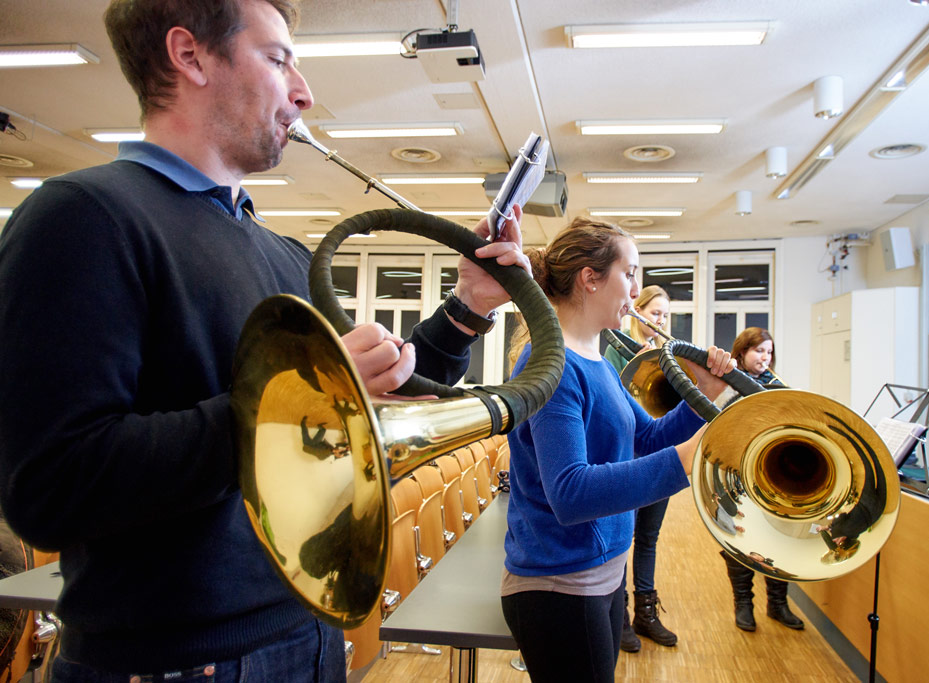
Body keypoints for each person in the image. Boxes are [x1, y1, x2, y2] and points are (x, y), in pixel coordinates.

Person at [0, 1, 528, 681]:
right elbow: (49, 488)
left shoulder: (281, 253)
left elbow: (370, 410)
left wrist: (467, 308)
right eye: (279, 59)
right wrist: (295, 409)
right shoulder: (81, 217)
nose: (304, 92)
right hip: (171, 660)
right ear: (190, 56)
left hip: (307, 635)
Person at [500, 217, 735, 683]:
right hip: (560, 585)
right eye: (630, 274)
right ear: (591, 278)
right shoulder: (553, 365)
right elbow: (570, 493)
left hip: (603, 572)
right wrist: (686, 461)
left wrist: (702, 394)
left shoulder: (595, 359)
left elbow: (644, 438)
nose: (636, 290)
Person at [601, 285, 678, 651]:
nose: (659, 320)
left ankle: (646, 614)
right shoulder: (616, 352)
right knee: (622, 537)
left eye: (665, 315)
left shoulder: (670, 354)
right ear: (638, 312)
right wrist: (641, 366)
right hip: (627, 458)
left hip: (658, 453)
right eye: (654, 313)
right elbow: (613, 408)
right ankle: (620, 615)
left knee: (649, 538)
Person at [718, 327, 806, 632]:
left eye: (769, 352)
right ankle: (743, 605)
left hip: (771, 474)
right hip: (735, 471)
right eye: (758, 351)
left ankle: (777, 604)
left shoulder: (777, 385)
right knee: (738, 536)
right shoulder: (728, 383)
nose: (765, 357)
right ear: (741, 353)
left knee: (777, 538)